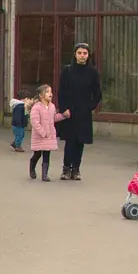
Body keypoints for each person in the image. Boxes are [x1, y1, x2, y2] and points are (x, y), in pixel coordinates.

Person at [56, 42, 102, 180]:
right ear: (75, 54)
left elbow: (97, 94)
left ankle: (76, 169)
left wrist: (89, 106)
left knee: (80, 142)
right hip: (69, 112)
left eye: (85, 53)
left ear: (88, 56)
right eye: (79, 53)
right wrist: (64, 109)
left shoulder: (93, 73)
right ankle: (66, 168)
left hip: (84, 113)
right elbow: (61, 91)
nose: (82, 56)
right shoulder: (67, 70)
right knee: (69, 141)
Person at [27, 85, 66, 182]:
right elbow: (35, 122)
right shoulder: (36, 107)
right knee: (37, 154)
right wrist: (42, 132)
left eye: (51, 91)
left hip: (49, 136)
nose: (50, 94)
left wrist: (63, 116)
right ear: (41, 95)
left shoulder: (52, 106)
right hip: (40, 136)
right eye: (47, 92)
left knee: (47, 154)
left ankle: (45, 175)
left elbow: (53, 118)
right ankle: (32, 166)